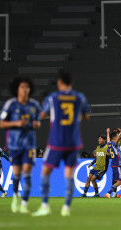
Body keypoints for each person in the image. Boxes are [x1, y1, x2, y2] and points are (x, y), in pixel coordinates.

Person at [32, 70, 90, 217]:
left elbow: (42, 114)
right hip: (72, 142)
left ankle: (45, 206)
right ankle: (66, 208)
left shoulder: (53, 98)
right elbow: (86, 116)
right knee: (69, 174)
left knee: (45, 171)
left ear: (59, 82)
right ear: (72, 83)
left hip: (56, 142)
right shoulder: (79, 97)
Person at [0, 77, 41, 213]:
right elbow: (2, 123)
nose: (25, 90)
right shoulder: (10, 104)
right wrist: (15, 123)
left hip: (29, 144)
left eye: (27, 87)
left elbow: (38, 122)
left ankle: (24, 204)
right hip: (15, 145)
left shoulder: (34, 105)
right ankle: (15, 196)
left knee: (27, 173)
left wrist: (36, 124)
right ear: (17, 89)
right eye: (22, 87)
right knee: (17, 174)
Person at [104, 129, 121, 199]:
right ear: (115, 137)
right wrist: (120, 133)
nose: (118, 136)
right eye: (117, 135)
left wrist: (107, 132)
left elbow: (108, 140)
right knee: (120, 181)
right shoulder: (114, 144)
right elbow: (116, 140)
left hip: (116, 164)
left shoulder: (109, 144)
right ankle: (108, 193)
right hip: (117, 165)